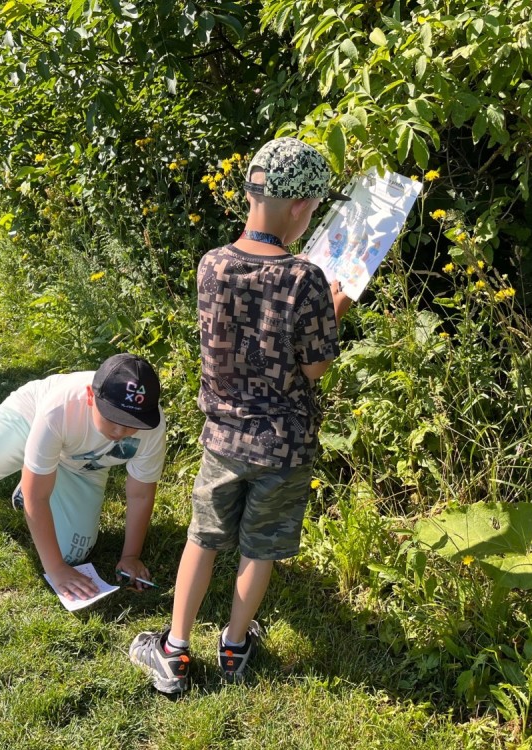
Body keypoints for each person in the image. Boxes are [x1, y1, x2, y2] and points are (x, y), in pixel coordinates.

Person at [129, 137, 354, 694]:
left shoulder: (212, 264)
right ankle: (233, 646)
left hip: (224, 438)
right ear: (300, 207)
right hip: (284, 444)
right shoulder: (306, 279)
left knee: (202, 538)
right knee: (260, 547)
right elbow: (314, 368)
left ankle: (175, 650)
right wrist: (335, 308)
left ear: (252, 193)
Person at [0, 353, 166, 599]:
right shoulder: (59, 407)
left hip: (82, 464)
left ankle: (34, 478)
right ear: (91, 396)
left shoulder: (151, 425)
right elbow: (38, 497)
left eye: (130, 422)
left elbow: (141, 494)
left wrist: (130, 556)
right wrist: (56, 569)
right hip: (29, 420)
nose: (120, 431)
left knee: (71, 554)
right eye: (113, 418)